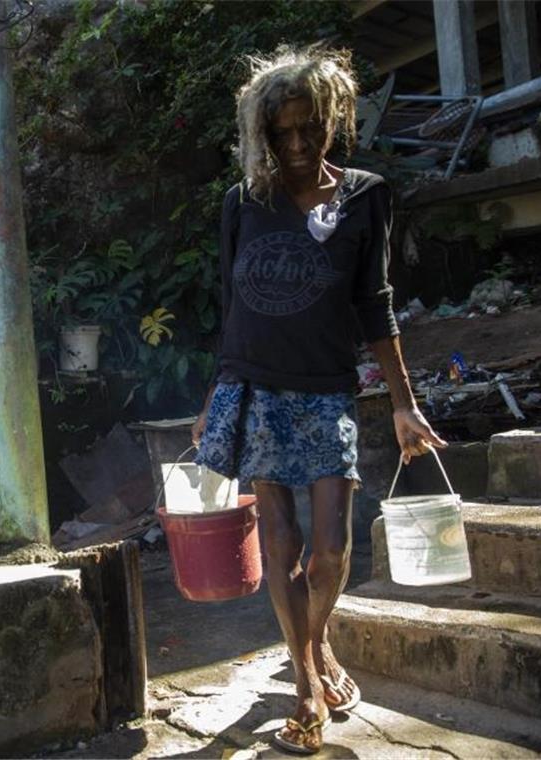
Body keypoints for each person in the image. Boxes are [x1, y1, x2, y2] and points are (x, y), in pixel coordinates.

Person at [191, 45, 446, 755]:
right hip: (257, 387)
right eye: (282, 134)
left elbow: (377, 304)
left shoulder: (367, 196)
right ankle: (306, 677)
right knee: (282, 541)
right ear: (261, 134)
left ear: (335, 119)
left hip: (326, 389)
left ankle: (318, 635)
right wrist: (219, 390)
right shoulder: (243, 201)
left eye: (312, 129)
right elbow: (233, 301)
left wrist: (403, 402)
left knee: (330, 550)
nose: (298, 145)